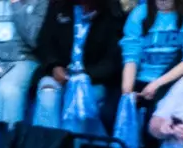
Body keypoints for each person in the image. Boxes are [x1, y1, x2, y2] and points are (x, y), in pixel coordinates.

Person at [34, 0, 126, 131]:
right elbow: (43, 43)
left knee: (78, 101)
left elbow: (112, 62)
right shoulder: (59, 6)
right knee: (47, 94)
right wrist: (54, 66)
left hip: (92, 80)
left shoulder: (113, 14)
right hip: (58, 74)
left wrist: (83, 76)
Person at [120, 0, 183, 108]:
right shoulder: (140, 12)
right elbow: (131, 54)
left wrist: (157, 84)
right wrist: (127, 91)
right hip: (141, 79)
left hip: (173, 81)